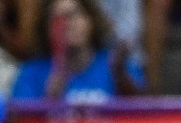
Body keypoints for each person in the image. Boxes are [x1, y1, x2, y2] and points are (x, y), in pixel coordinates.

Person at [10, 0, 143, 98]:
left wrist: (120, 76)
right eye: (58, 19)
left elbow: (143, 111)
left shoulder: (117, 66)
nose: (67, 24)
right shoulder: (31, 74)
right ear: (46, 29)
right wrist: (49, 98)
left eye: (74, 15)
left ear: (91, 20)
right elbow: (19, 121)